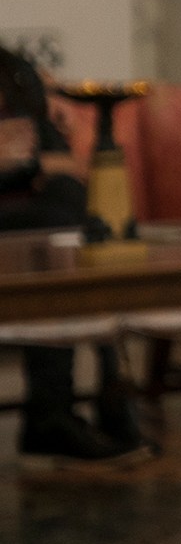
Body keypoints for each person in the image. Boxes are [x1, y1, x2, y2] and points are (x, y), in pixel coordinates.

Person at [0, 46, 151, 464]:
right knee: (59, 230)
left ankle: (99, 393)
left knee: (81, 217)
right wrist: (26, 164)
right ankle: (74, 406)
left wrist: (36, 162)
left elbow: (61, 162)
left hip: (33, 216)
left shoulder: (15, 71)